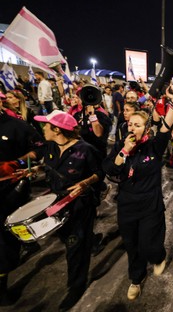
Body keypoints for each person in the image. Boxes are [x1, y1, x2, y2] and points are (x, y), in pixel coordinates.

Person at [103, 86, 173, 300]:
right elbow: (109, 169)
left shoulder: (154, 146)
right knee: (132, 246)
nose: (132, 127)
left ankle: (158, 256)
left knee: (148, 244)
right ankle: (135, 280)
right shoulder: (122, 144)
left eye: (138, 125)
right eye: (130, 124)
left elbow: (166, 125)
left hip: (150, 205)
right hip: (127, 206)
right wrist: (124, 151)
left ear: (146, 129)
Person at [33, 110, 103, 311]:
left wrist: (87, 182)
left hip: (80, 207)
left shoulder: (86, 150)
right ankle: (89, 243)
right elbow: (48, 167)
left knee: (75, 247)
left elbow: (100, 172)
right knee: (68, 242)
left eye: (46, 125)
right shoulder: (50, 146)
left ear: (57, 129)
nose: (43, 128)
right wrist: (35, 169)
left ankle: (76, 285)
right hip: (55, 206)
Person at [0, 103, 43, 306]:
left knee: (5, 240)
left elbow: (38, 150)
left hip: (9, 190)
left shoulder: (18, 126)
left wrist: (17, 162)